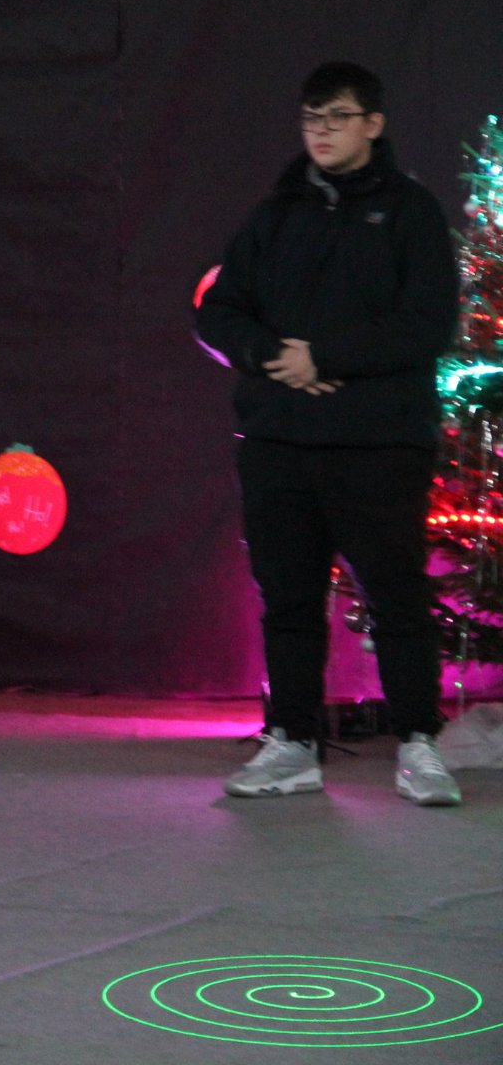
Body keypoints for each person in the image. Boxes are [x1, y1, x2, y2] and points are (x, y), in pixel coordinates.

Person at [197, 61, 462, 806]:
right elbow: (217, 310)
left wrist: (327, 357)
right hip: (279, 441)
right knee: (287, 599)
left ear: (373, 124)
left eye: (337, 117)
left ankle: (419, 744)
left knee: (397, 597)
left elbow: (427, 324)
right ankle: (292, 742)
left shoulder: (410, 212)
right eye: (312, 117)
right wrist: (270, 356)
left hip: (379, 443)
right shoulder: (275, 214)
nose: (321, 131)